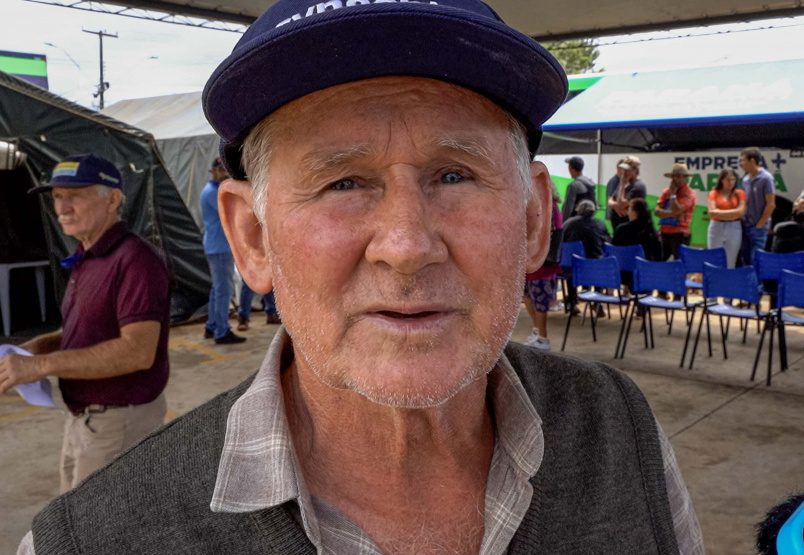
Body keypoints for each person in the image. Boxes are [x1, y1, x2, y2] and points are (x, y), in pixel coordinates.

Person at [20, 2, 704, 554]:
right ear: (251, 238)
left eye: (455, 174)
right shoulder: (88, 540)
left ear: (531, 220)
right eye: (342, 181)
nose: (406, 247)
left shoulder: (619, 424)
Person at [0, 154, 169, 494]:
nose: (62, 207)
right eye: (58, 197)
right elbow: (90, 331)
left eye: (74, 195)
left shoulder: (135, 260)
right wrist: (37, 347)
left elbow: (137, 351)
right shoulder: (87, 256)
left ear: (113, 199)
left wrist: (40, 365)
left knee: (103, 535)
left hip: (118, 421)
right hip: (88, 419)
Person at [200, 158, 246, 344]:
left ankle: (212, 326)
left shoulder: (212, 191)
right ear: (214, 172)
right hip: (219, 247)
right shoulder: (213, 193)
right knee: (223, 290)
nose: (225, 173)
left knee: (217, 289)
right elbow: (233, 212)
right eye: (222, 170)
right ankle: (221, 331)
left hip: (216, 246)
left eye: (226, 170)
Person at [522, 195, 563, 351]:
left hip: (544, 261)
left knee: (540, 300)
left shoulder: (548, 207)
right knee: (527, 295)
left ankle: (543, 338)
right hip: (533, 260)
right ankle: (537, 331)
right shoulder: (542, 205)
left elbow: (542, 233)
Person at [739, 147, 777, 265]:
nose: (741, 164)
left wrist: (760, 225)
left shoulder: (766, 178)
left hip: (758, 228)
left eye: (743, 160)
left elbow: (771, 204)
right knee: (745, 260)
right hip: (745, 226)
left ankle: (757, 284)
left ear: (752, 161)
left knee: (756, 260)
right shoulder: (745, 180)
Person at [654, 163, 697, 261]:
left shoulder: (689, 193)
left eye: (678, 176)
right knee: (659, 261)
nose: (675, 179)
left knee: (680, 263)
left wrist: (673, 195)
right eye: (673, 176)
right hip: (664, 232)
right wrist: (673, 214)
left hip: (680, 234)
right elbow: (657, 211)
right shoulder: (665, 192)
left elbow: (678, 209)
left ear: (685, 177)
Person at [707, 168, 746, 268]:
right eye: (727, 179)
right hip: (716, 226)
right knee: (714, 259)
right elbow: (713, 212)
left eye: (733, 179)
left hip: (734, 226)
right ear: (722, 180)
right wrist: (733, 213)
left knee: (730, 260)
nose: (730, 182)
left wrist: (720, 212)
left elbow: (740, 212)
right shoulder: (714, 193)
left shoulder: (740, 193)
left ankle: (728, 281)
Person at [613, 198, 663, 262]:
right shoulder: (653, 234)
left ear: (635, 213)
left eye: (629, 210)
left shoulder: (621, 230)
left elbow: (614, 251)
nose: (628, 213)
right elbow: (659, 258)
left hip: (623, 269)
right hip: (646, 269)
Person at [606, 157, 647, 231]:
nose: (624, 172)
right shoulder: (624, 183)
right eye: (623, 169)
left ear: (635, 170)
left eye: (627, 170)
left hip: (629, 229)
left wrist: (622, 185)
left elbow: (621, 203)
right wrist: (615, 206)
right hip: (618, 227)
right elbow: (610, 200)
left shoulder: (638, 186)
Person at [561, 155, 597, 221]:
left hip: (574, 222)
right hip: (588, 220)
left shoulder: (574, 186)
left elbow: (568, 208)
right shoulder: (590, 183)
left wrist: (564, 224)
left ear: (571, 169)